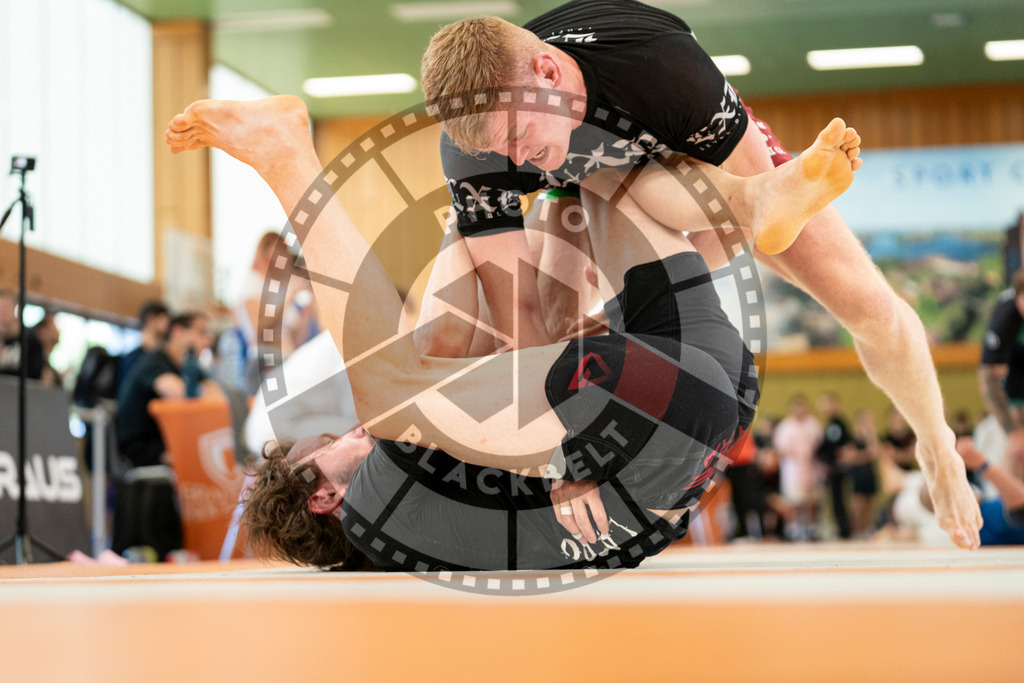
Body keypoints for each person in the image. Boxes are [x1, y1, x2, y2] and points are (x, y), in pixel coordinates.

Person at [164, 96, 863, 569]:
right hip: (643, 407)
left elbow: (463, 350)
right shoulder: (376, 508)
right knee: (395, 392)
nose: (355, 434)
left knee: (598, 182)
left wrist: (471, 225)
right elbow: (428, 371)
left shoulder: (424, 521)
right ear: (324, 495)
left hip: (710, 397)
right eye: (335, 443)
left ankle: (578, 185)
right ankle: (289, 156)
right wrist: (559, 469)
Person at [417, 0, 980, 550]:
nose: (518, 158)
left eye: (518, 138)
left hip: (688, 168)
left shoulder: (661, 69)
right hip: (580, 188)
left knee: (869, 308)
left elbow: (737, 231)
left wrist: (636, 311)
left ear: (547, 71)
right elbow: (522, 320)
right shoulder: (479, 153)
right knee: (464, 330)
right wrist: (563, 451)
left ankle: (937, 445)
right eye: (501, 150)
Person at [115, 311, 221, 469]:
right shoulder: (155, 361)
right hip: (142, 447)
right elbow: (181, 395)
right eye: (201, 332)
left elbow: (216, 396)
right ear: (177, 332)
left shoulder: (189, 367)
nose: (208, 339)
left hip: (166, 442)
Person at [979, 268, 1024, 479]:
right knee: (1016, 453)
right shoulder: (1005, 319)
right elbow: (990, 380)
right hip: (1011, 394)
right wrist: (1012, 431)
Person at [772, 394, 823, 541]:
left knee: (812, 501)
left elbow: (819, 445)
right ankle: (793, 530)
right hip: (793, 470)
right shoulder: (785, 427)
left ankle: (811, 529)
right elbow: (780, 448)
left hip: (811, 468)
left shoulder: (814, 424)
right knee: (793, 501)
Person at [816, 392, 852, 539]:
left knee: (839, 501)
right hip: (834, 469)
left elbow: (835, 446)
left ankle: (844, 531)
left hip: (838, 469)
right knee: (835, 501)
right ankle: (842, 529)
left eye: (827, 403)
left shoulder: (837, 424)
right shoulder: (831, 423)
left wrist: (827, 458)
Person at [847, 408, 879, 538]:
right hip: (857, 474)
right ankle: (856, 530)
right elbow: (851, 456)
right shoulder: (853, 437)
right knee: (857, 504)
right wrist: (866, 455)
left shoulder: (871, 436)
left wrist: (870, 435)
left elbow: (875, 452)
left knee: (869, 503)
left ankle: (866, 530)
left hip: (869, 473)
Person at [120, 300, 170, 381]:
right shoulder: (135, 357)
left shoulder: (160, 353)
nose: (167, 323)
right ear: (150, 319)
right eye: (162, 318)